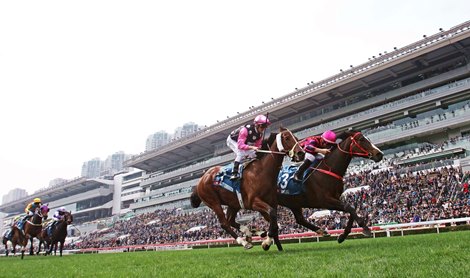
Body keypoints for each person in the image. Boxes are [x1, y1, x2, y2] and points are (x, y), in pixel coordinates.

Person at [226, 114, 271, 180]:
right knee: (240, 153)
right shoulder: (245, 130)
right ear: (257, 125)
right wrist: (252, 148)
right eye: (262, 127)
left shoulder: (260, 135)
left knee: (253, 154)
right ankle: (234, 173)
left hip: (242, 142)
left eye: (264, 127)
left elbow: (257, 146)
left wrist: (257, 149)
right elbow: (240, 145)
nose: (263, 129)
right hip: (232, 140)